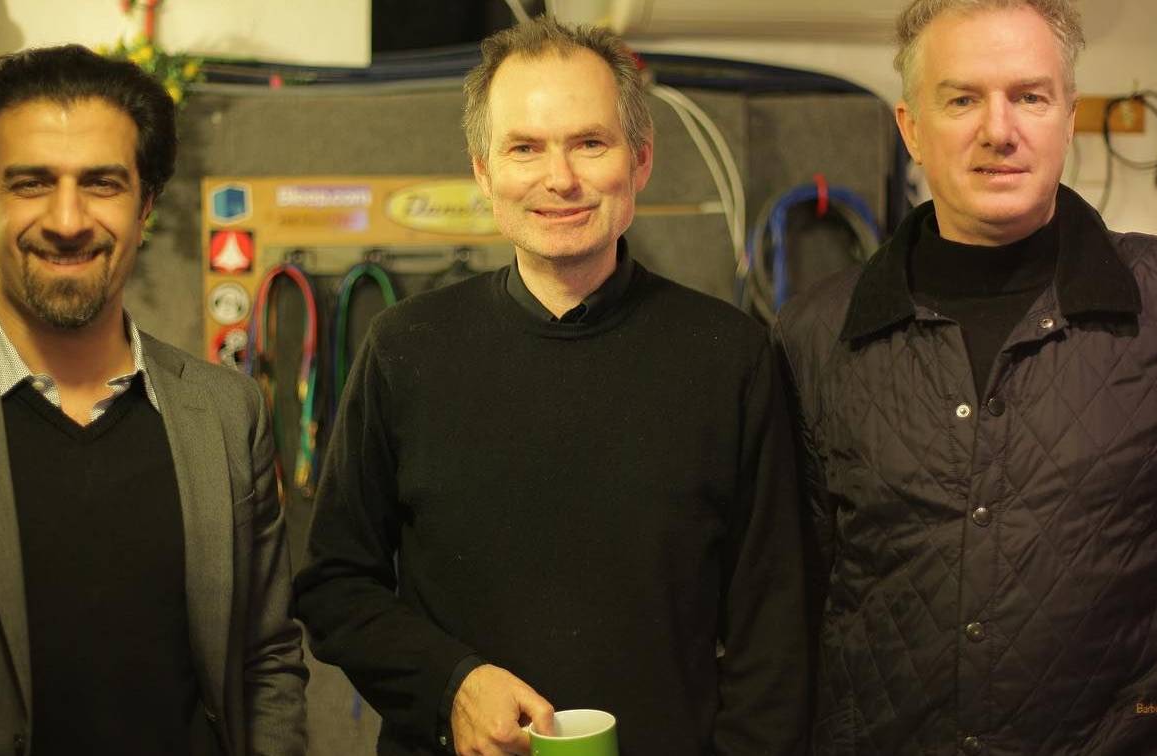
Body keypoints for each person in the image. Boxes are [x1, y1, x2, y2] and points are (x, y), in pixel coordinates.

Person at [294, 16, 806, 756]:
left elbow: (774, 629)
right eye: (525, 148)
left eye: (589, 143)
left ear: (640, 159)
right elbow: (335, 586)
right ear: (483, 171)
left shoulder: (731, 358)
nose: (559, 178)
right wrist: (451, 686)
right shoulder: (405, 349)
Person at [775, 1, 1157, 754]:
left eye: (1029, 96)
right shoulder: (817, 334)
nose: (999, 130)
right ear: (912, 128)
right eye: (962, 100)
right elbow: (784, 608)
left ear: (1068, 118)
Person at [0, 45, 307, 756]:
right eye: (31, 183)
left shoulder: (226, 413)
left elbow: (265, 657)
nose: (67, 219)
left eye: (102, 183)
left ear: (145, 206)